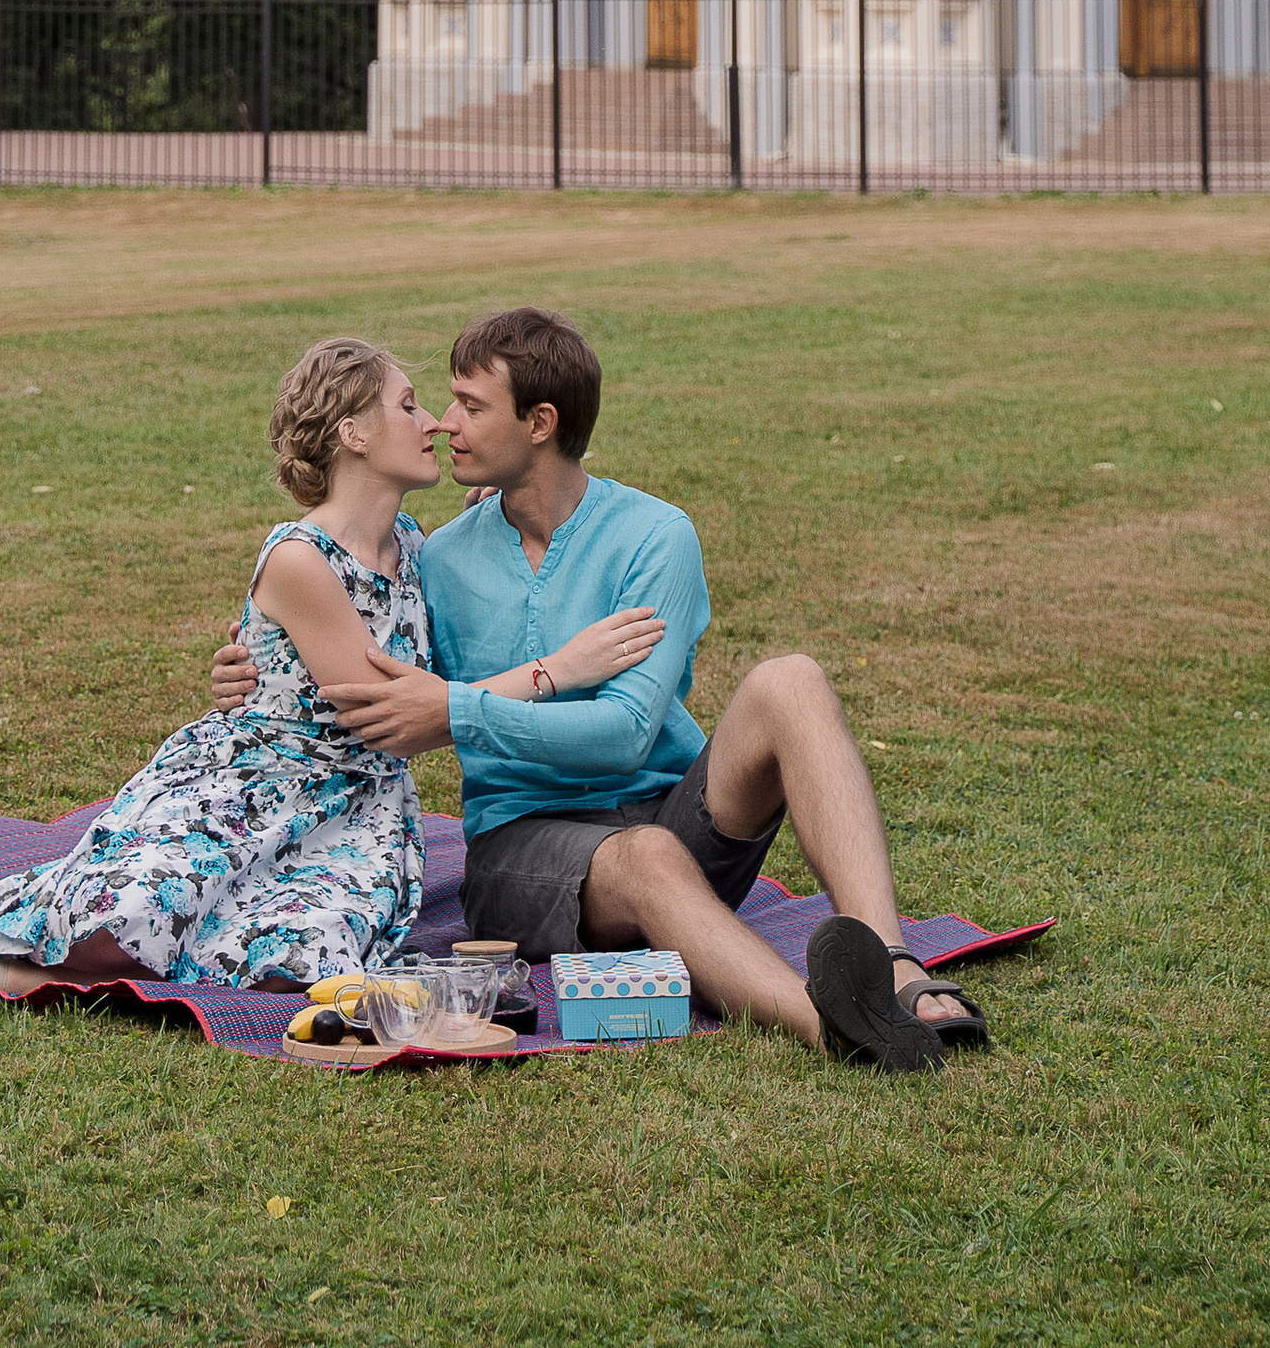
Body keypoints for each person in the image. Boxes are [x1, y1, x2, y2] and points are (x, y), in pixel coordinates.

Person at [211, 304, 983, 1070]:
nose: (446, 423)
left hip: (671, 813)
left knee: (792, 680)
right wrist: (248, 672)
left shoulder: (656, 535)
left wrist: (456, 707)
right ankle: (836, 1029)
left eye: (472, 406)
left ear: (539, 422)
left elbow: (625, 734)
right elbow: (357, 655)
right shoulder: (438, 560)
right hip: (524, 846)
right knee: (643, 856)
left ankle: (893, 967)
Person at [0, 333, 661, 996]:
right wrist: (562, 667)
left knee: (303, 960)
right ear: (355, 434)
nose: (436, 423)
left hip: (355, 815)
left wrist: (500, 503)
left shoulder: (414, 546)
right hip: (253, 789)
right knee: (134, 920)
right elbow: (389, 717)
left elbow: (418, 681)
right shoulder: (301, 560)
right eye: (410, 405)